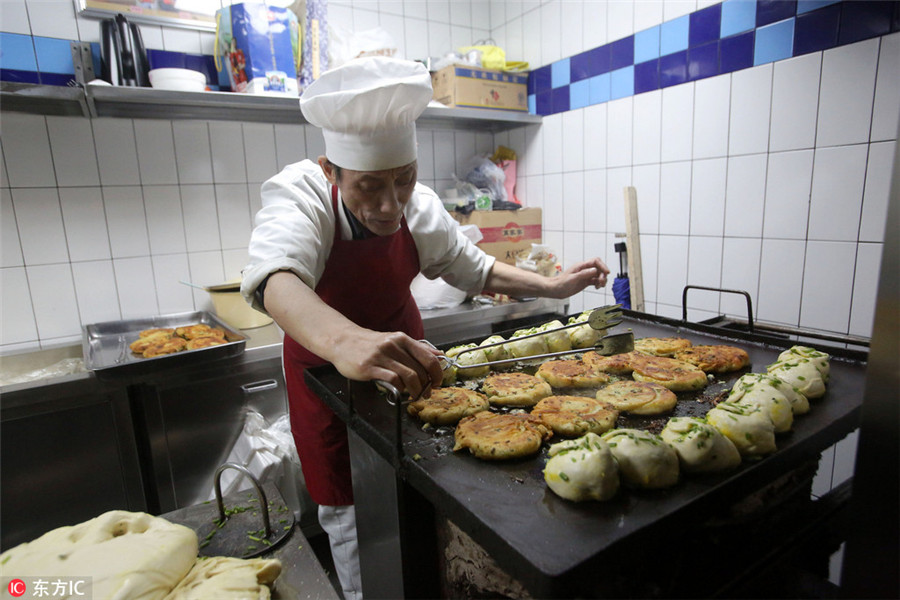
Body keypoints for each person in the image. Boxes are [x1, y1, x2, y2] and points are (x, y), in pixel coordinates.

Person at [241, 56, 610, 600]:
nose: (390, 205)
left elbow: (475, 268)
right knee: (355, 520)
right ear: (330, 171)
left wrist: (552, 286)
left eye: (404, 180)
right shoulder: (302, 195)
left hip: (413, 377)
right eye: (369, 187)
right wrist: (347, 341)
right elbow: (276, 280)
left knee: (423, 501)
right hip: (328, 385)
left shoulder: (418, 208)